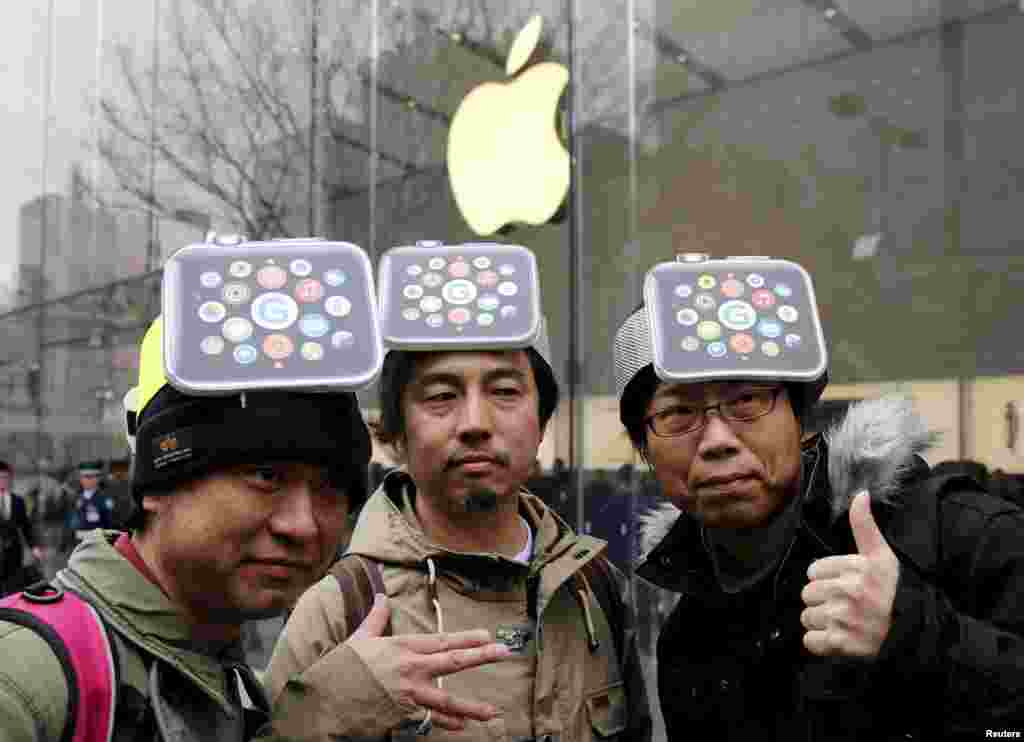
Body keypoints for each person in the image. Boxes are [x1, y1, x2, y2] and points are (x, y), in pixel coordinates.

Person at [0, 317, 510, 741]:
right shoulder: (23, 679)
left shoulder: (234, 682)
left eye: (331, 489)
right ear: (156, 486)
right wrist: (315, 721)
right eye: (265, 477)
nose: (304, 525)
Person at [614, 285, 1024, 740]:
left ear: (799, 417)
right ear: (644, 449)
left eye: (746, 399)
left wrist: (914, 633)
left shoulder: (960, 535)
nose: (717, 440)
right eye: (677, 413)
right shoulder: (686, 641)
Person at [265, 279, 651, 739]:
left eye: (505, 391)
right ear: (397, 434)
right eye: (441, 396)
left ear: (542, 422)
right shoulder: (341, 607)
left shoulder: (594, 588)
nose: (475, 423)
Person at [0, 460, 42, 596]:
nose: (2, 481)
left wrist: (34, 547)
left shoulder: (18, 501)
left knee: (14, 585)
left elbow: (25, 526)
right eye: (0, 477)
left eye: (5, 477)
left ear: (10, 479)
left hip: (14, 551)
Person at [65, 460, 118, 545]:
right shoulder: (75, 499)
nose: (88, 480)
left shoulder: (104, 500)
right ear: (80, 479)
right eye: (85, 477)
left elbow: (110, 524)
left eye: (92, 477)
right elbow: (69, 524)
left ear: (98, 478)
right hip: (78, 544)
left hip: (99, 543)